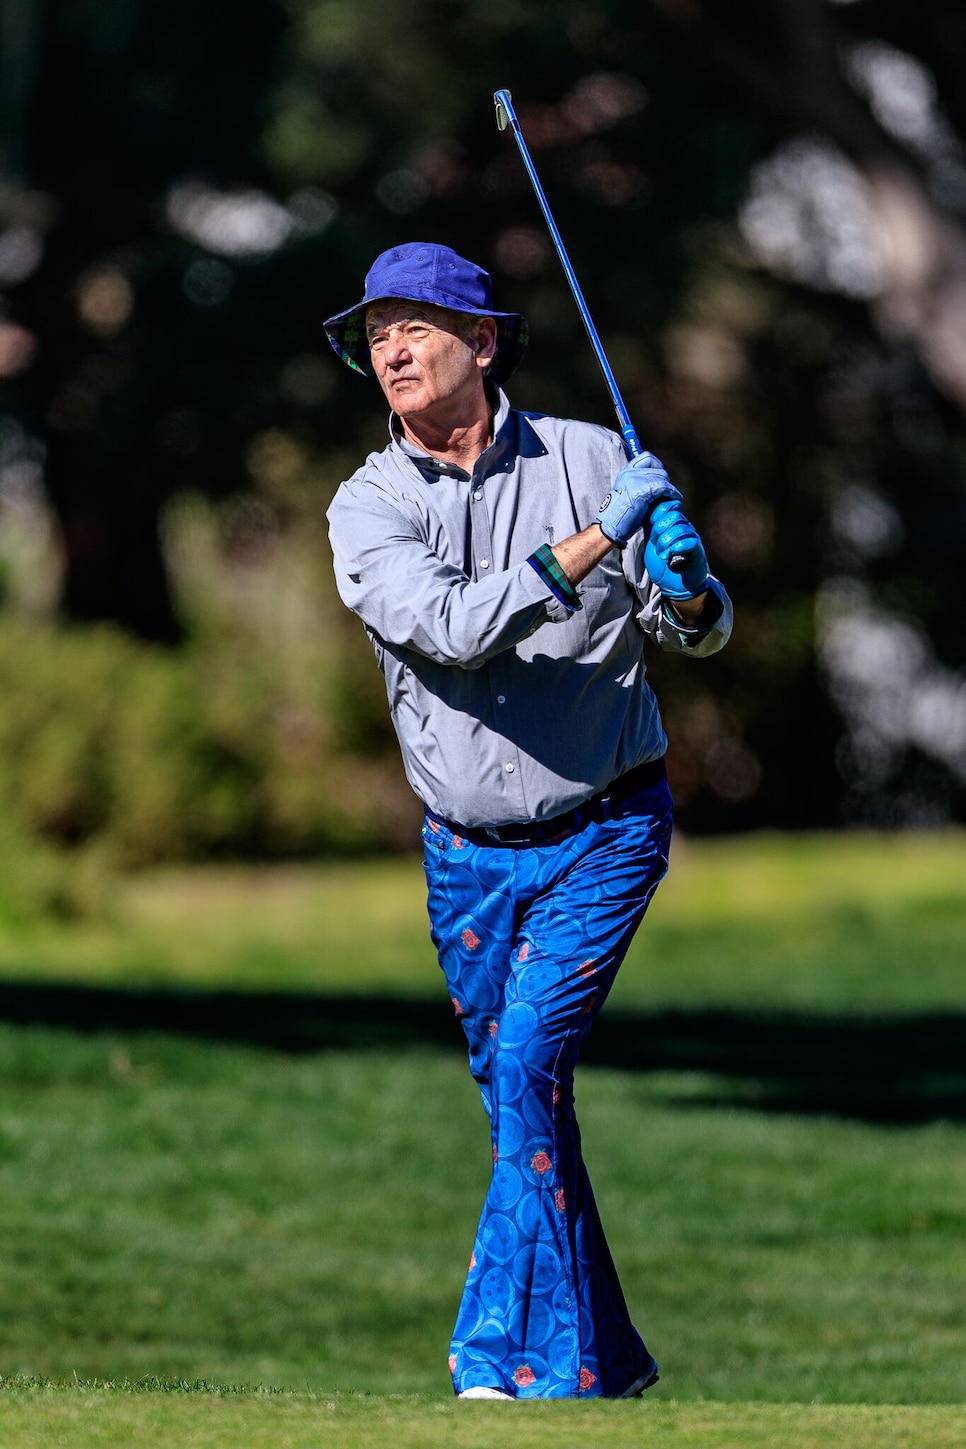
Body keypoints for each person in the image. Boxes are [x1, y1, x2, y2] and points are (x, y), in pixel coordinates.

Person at [324, 242, 732, 1401]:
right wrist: (600, 539)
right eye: (376, 333)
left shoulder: (597, 459)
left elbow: (689, 625)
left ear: (483, 342)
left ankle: (495, 1359)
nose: (389, 350)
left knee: (528, 1066)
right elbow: (449, 627)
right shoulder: (368, 506)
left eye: (414, 326)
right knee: (523, 1102)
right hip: (465, 858)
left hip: (605, 828)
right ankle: (612, 1365)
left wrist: (692, 587)